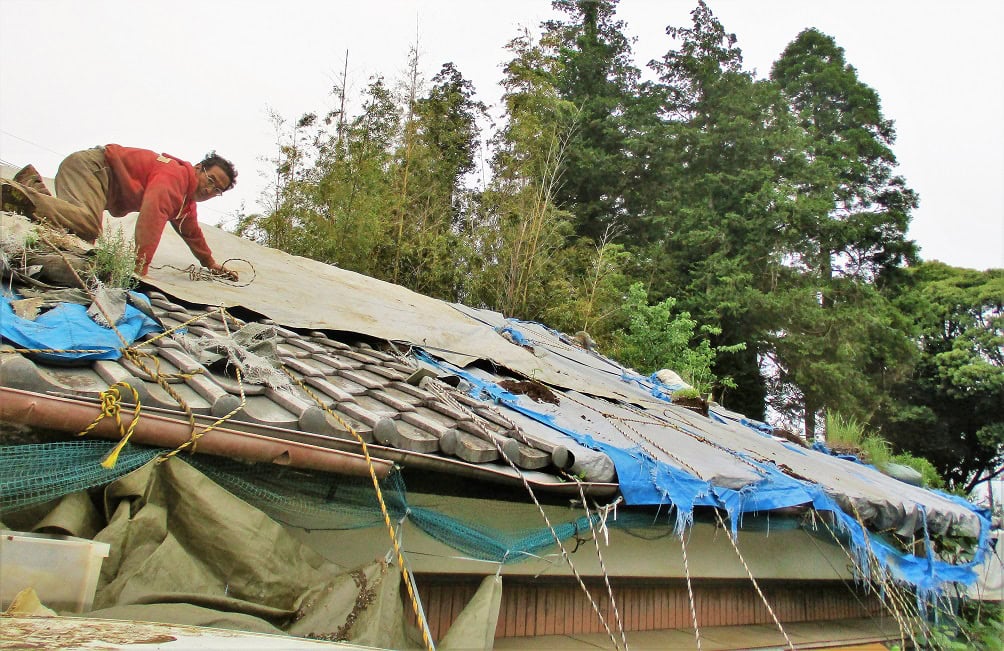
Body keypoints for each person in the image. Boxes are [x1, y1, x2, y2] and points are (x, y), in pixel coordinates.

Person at [6, 145, 239, 279]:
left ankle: (30, 185)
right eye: (210, 180)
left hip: (91, 178)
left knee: (80, 236)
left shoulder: (185, 204)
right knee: (87, 224)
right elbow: (152, 217)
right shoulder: (176, 177)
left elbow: (192, 234)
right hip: (93, 169)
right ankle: (11, 193)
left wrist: (211, 264)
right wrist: (138, 272)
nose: (209, 189)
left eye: (217, 190)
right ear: (198, 168)